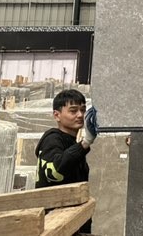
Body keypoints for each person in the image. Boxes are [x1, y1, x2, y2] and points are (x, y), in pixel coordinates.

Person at [36, 89, 98, 235]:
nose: (80, 115)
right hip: (55, 226)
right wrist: (85, 142)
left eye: (83, 110)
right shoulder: (52, 139)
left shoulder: (72, 144)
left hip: (73, 224)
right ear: (56, 115)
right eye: (73, 111)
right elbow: (55, 171)